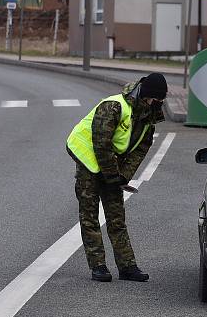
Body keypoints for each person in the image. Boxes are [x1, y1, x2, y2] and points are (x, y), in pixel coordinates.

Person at [66, 73, 168, 282]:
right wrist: (112, 175)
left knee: (116, 218)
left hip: (110, 167)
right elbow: (101, 144)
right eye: (154, 100)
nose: (157, 104)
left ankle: (127, 267)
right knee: (90, 216)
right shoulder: (113, 106)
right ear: (144, 94)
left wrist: (123, 177)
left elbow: (141, 150)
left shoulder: (148, 117)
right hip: (88, 160)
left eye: (160, 101)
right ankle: (99, 267)